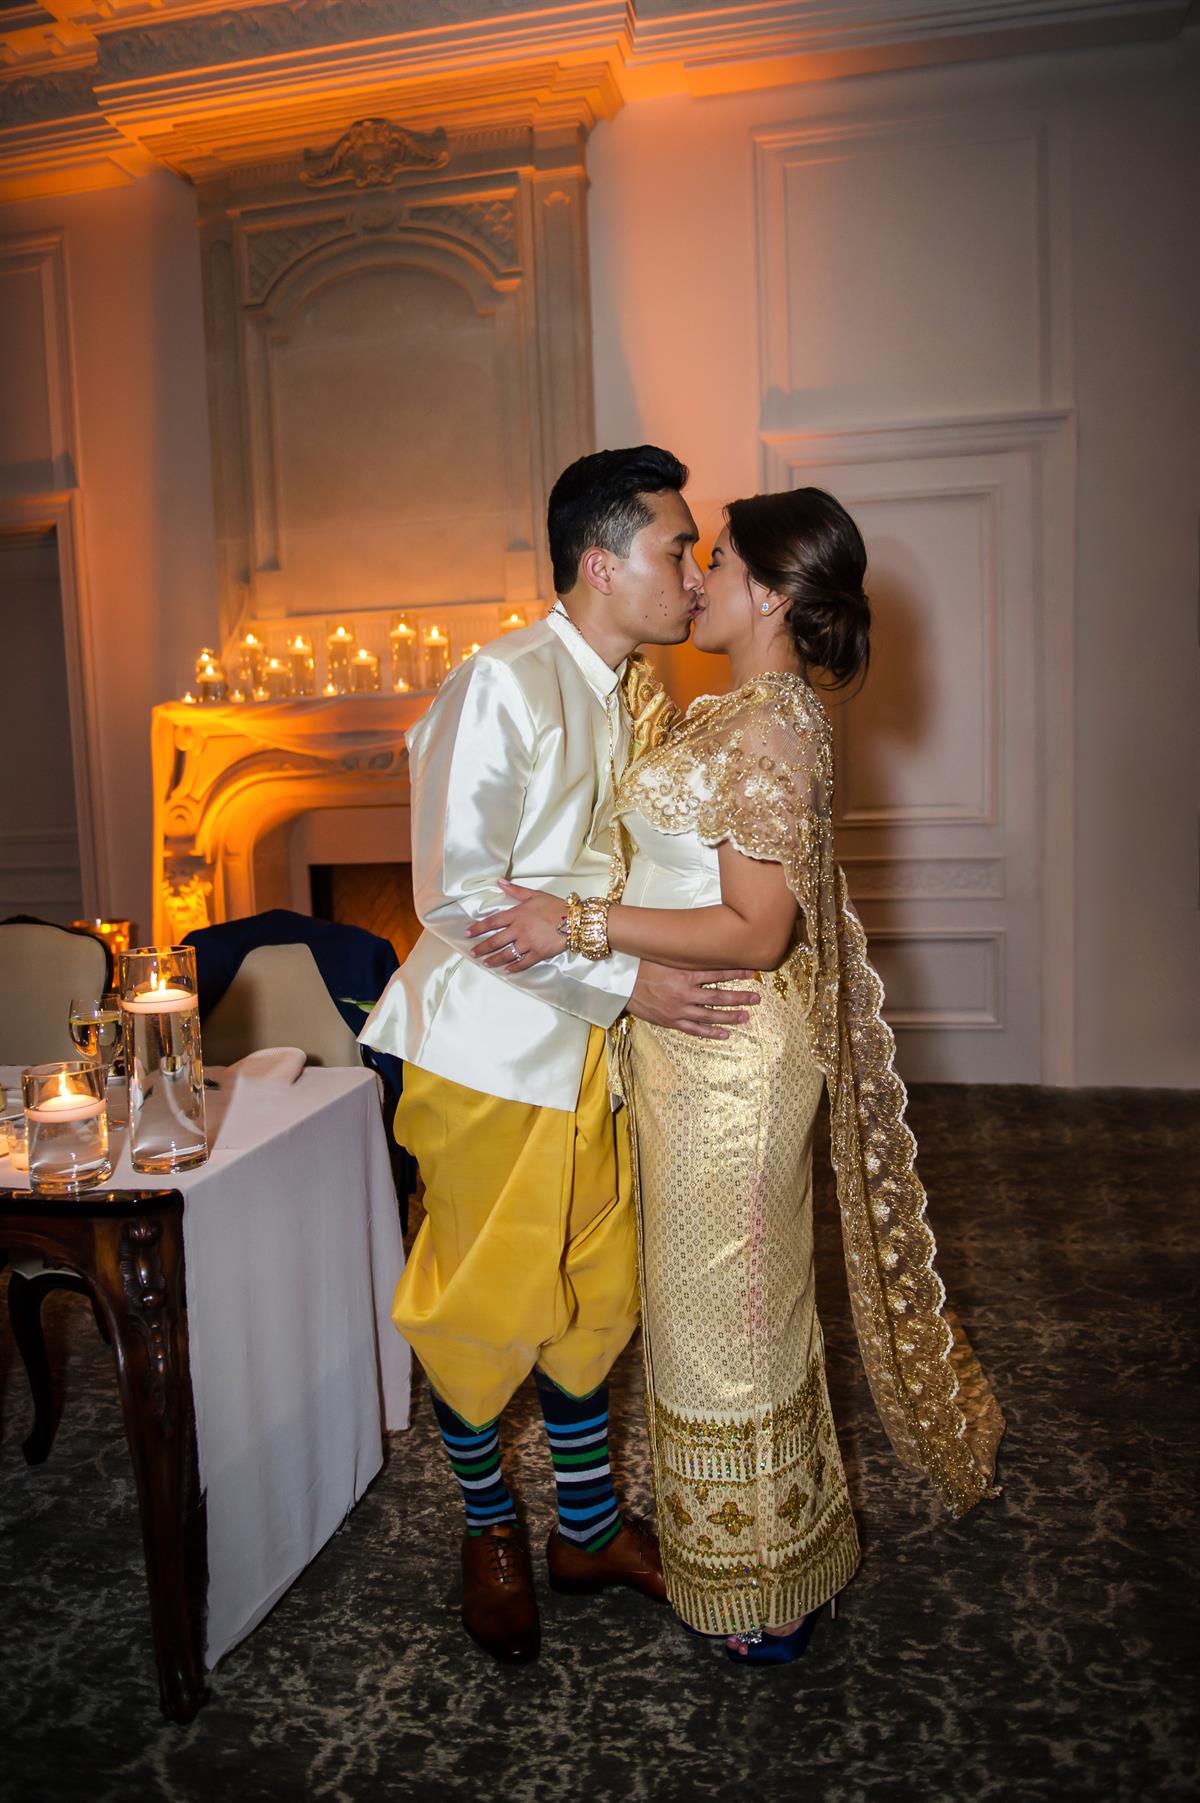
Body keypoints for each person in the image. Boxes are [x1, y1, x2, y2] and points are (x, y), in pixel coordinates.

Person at [467, 486, 1005, 1666]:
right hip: (689, 1053)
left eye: (715, 561)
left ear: (769, 592)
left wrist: (576, 924)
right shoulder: (745, 711)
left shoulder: (770, 730)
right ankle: (765, 1553)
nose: (697, 578)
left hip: (731, 1065)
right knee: (714, 1317)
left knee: (732, 1323)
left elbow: (758, 929)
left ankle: (769, 1583)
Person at [359, 445, 764, 1665]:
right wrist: (629, 980)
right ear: (601, 563)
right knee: (483, 1304)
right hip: (489, 1055)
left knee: (592, 1293)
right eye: (676, 549)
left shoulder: (630, 689)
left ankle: (584, 1530)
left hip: (592, 1050)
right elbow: (456, 894)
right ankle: (489, 1530)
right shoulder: (502, 681)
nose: (693, 574)